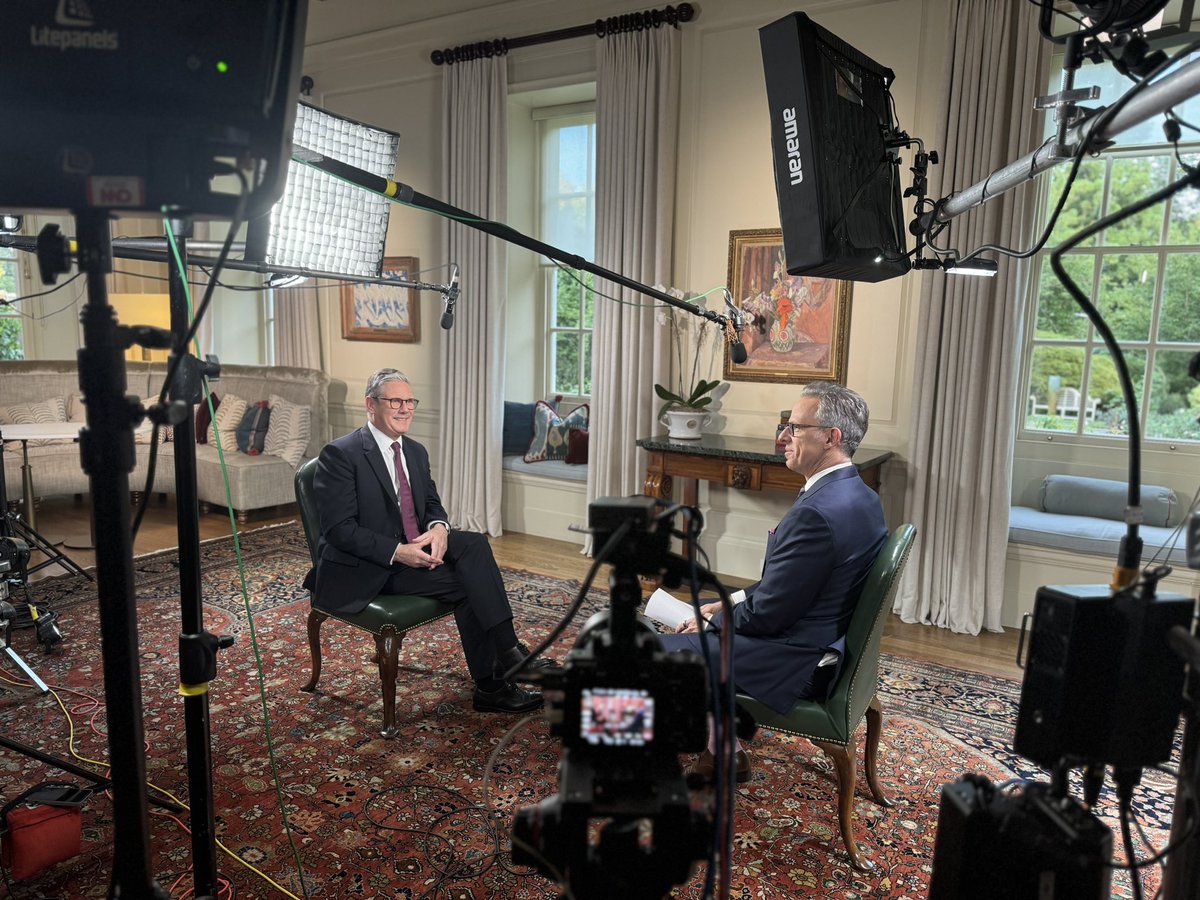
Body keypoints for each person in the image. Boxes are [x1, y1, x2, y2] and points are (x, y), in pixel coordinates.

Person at [660, 382, 888, 781]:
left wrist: (712, 621)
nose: (783, 437)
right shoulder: (860, 495)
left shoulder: (818, 512)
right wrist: (727, 603)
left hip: (794, 658)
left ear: (831, 437)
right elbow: (792, 585)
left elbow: (767, 615)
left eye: (795, 427)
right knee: (689, 632)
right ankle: (723, 751)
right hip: (819, 641)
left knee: (646, 652)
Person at [307, 368, 557, 714]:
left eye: (410, 401)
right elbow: (339, 530)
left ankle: (507, 656)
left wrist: (439, 528)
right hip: (370, 567)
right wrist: (399, 552)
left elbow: (431, 505)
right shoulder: (341, 455)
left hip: (415, 548)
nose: (405, 409)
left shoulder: (415, 451)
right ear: (370, 405)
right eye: (395, 401)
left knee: (474, 544)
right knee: (470, 585)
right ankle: (496, 679)